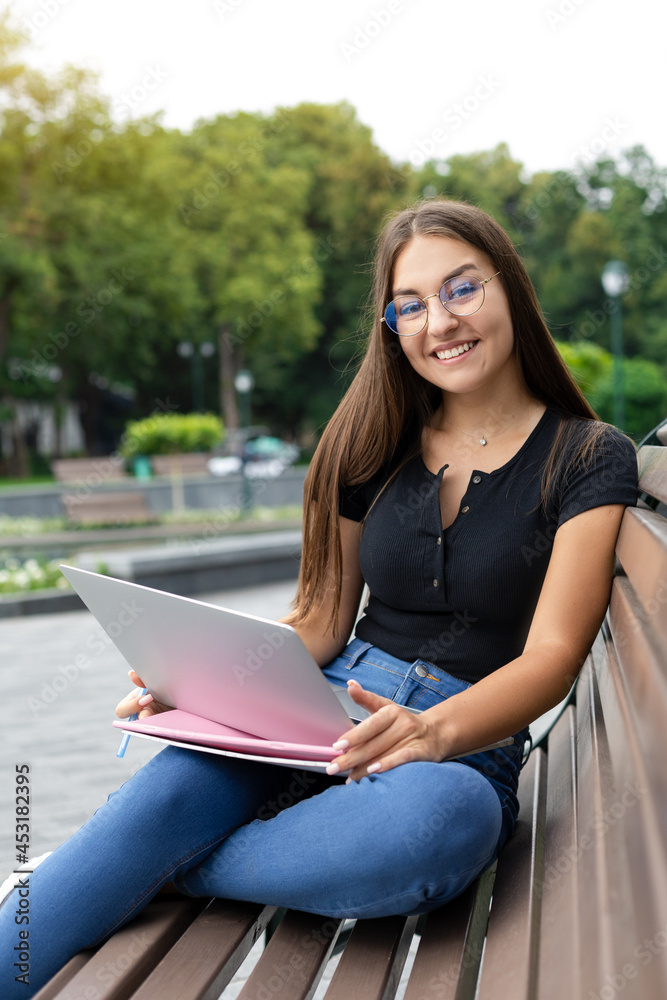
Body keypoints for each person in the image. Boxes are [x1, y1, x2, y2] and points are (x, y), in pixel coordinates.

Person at [0, 199, 638, 997]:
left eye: (461, 290)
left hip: (458, 744)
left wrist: (430, 730)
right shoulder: (371, 438)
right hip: (306, 713)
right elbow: (320, 621)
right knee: (165, 795)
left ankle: (156, 866)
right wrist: (201, 676)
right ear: (391, 325)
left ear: (509, 288)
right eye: (410, 305)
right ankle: (137, 856)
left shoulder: (585, 456)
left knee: (435, 828)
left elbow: (551, 656)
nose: (438, 322)